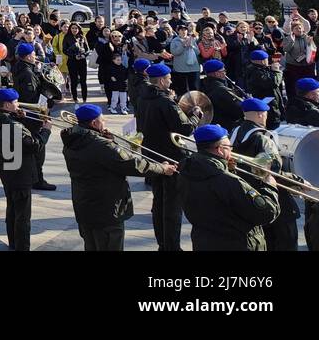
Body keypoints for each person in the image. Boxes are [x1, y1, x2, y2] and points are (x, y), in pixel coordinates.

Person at [61, 103, 177, 250]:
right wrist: (162, 168)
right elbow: (132, 164)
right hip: (106, 209)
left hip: (84, 206)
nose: (105, 122)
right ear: (94, 123)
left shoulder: (73, 140)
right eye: (102, 119)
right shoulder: (101, 145)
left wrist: (110, 140)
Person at [178, 124, 281, 251]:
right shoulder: (228, 181)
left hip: (203, 242)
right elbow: (266, 213)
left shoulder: (186, 172)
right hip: (238, 243)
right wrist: (270, 187)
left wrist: (227, 169)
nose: (231, 152)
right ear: (220, 149)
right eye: (229, 147)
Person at [137, 63, 196, 251]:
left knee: (158, 201)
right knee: (172, 205)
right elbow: (184, 128)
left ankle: (162, 243)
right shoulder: (165, 101)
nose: (171, 81)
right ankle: (172, 246)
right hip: (171, 157)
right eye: (169, 78)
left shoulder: (143, 97)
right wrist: (195, 116)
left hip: (151, 154)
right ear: (162, 80)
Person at [229, 98, 300, 251]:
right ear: (261, 114)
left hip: (249, 196)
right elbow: (274, 171)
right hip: (273, 196)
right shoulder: (264, 137)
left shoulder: (234, 133)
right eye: (266, 114)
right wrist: (297, 181)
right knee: (286, 240)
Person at [0, 87, 39, 248]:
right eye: (15, 102)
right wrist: (45, 131)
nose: (18, 105)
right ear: (7, 105)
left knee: (12, 210)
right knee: (23, 216)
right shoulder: (11, 124)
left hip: (7, 171)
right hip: (20, 174)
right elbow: (32, 146)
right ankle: (22, 246)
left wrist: (23, 119)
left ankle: (13, 243)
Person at [9, 43, 56, 191]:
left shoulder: (22, 68)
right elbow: (31, 98)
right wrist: (47, 96)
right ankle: (37, 179)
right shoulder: (27, 73)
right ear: (28, 56)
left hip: (27, 114)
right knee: (38, 149)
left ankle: (34, 177)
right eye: (34, 54)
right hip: (32, 115)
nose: (36, 56)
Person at [244, 49, 287, 129]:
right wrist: (277, 72)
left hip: (271, 104)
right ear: (262, 61)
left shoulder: (260, 69)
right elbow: (273, 83)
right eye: (266, 59)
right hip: (267, 107)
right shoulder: (256, 73)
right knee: (272, 128)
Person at [199, 59, 246, 131]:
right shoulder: (220, 89)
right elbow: (238, 109)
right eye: (223, 71)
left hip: (214, 122)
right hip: (227, 125)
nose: (225, 73)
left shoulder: (205, 84)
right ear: (216, 74)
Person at [62, 23, 90, 104]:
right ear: (70, 29)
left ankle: (85, 98)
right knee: (73, 80)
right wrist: (74, 56)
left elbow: (87, 49)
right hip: (72, 61)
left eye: (76, 28)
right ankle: (75, 98)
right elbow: (64, 50)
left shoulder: (82, 37)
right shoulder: (67, 37)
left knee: (83, 80)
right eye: (73, 28)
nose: (75, 30)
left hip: (82, 61)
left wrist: (84, 55)